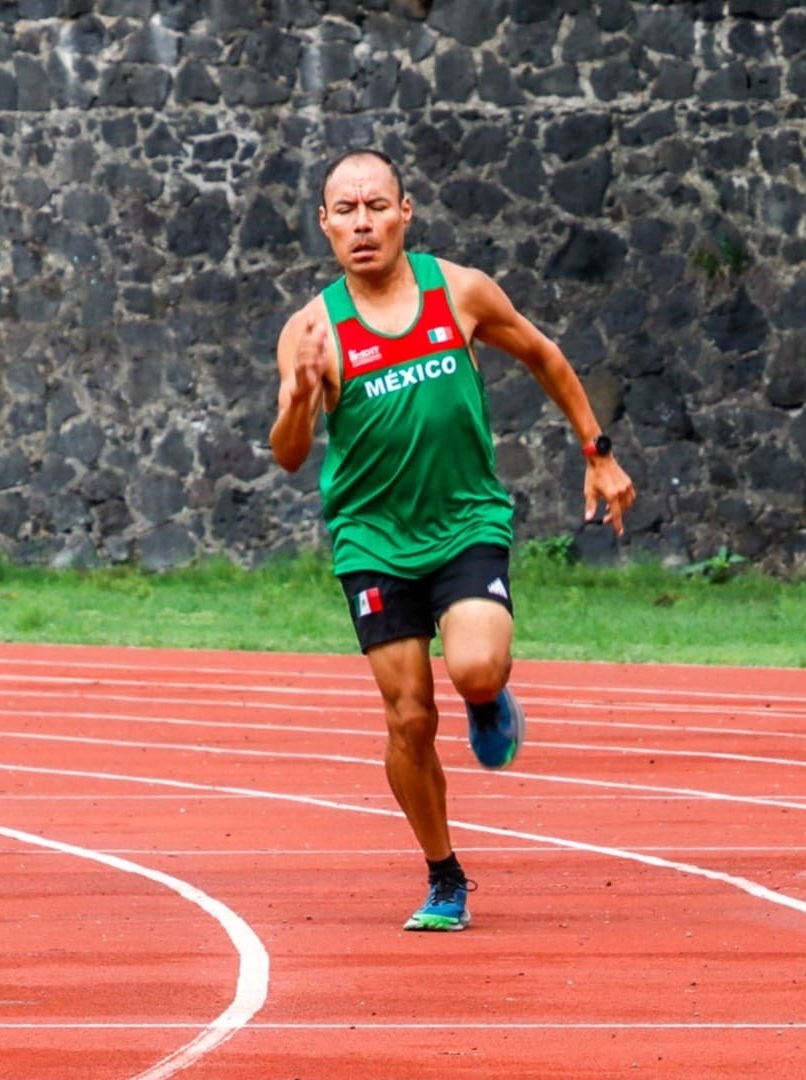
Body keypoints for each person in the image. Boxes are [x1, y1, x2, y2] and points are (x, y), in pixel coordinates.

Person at [268, 147, 637, 932]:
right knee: (407, 720)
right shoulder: (312, 330)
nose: (362, 223)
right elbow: (291, 453)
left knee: (473, 666)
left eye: (377, 206)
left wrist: (597, 454)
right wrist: (299, 395)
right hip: (372, 538)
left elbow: (543, 354)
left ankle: (486, 696)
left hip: (465, 518)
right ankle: (444, 875)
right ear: (326, 224)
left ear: (405, 212)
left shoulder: (458, 291)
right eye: (346, 211)